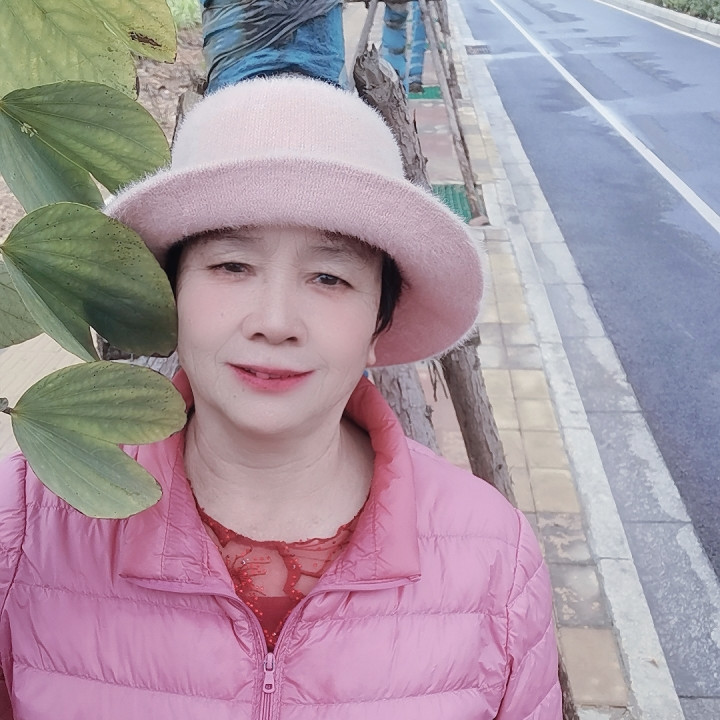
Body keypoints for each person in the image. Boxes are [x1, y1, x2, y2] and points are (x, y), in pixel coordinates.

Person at [0, 76, 561, 718]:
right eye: (231, 266)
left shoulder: (494, 556)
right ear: (170, 294)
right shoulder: (24, 522)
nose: (274, 321)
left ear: (379, 324)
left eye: (329, 277)